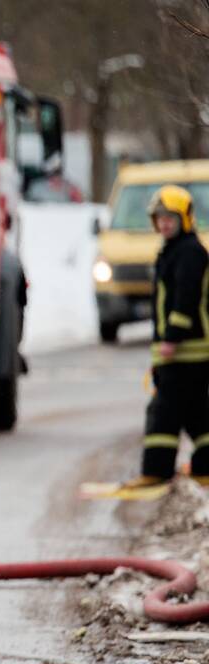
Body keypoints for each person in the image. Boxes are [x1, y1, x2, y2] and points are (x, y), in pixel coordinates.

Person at [124, 184, 209, 489]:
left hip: (185, 350)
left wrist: (171, 337)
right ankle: (204, 466)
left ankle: (156, 470)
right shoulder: (177, 250)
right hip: (187, 351)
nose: (164, 223)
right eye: (160, 218)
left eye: (170, 217)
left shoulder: (188, 253)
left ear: (184, 218)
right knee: (197, 413)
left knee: (164, 412)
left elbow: (185, 299)